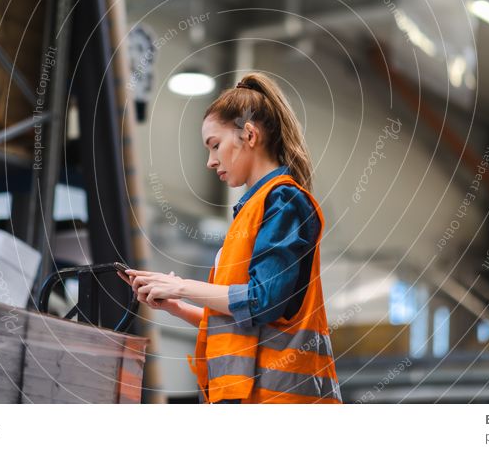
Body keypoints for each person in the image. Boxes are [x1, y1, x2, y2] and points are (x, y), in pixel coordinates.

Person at [120, 71, 341, 404]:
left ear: (249, 135)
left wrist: (181, 286)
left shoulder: (283, 201)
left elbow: (262, 301)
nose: (210, 161)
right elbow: (244, 326)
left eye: (215, 145)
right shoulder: (253, 212)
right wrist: (179, 307)